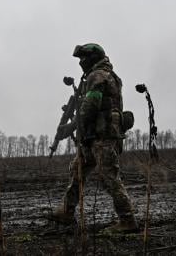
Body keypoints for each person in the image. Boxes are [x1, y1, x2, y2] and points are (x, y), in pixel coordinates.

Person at [50, 43, 139, 232]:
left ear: (92, 58)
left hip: (102, 136)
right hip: (93, 136)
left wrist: (70, 127)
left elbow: (91, 105)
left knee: (109, 176)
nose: (81, 62)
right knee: (77, 171)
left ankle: (127, 220)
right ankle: (66, 212)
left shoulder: (97, 75)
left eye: (83, 58)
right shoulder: (102, 75)